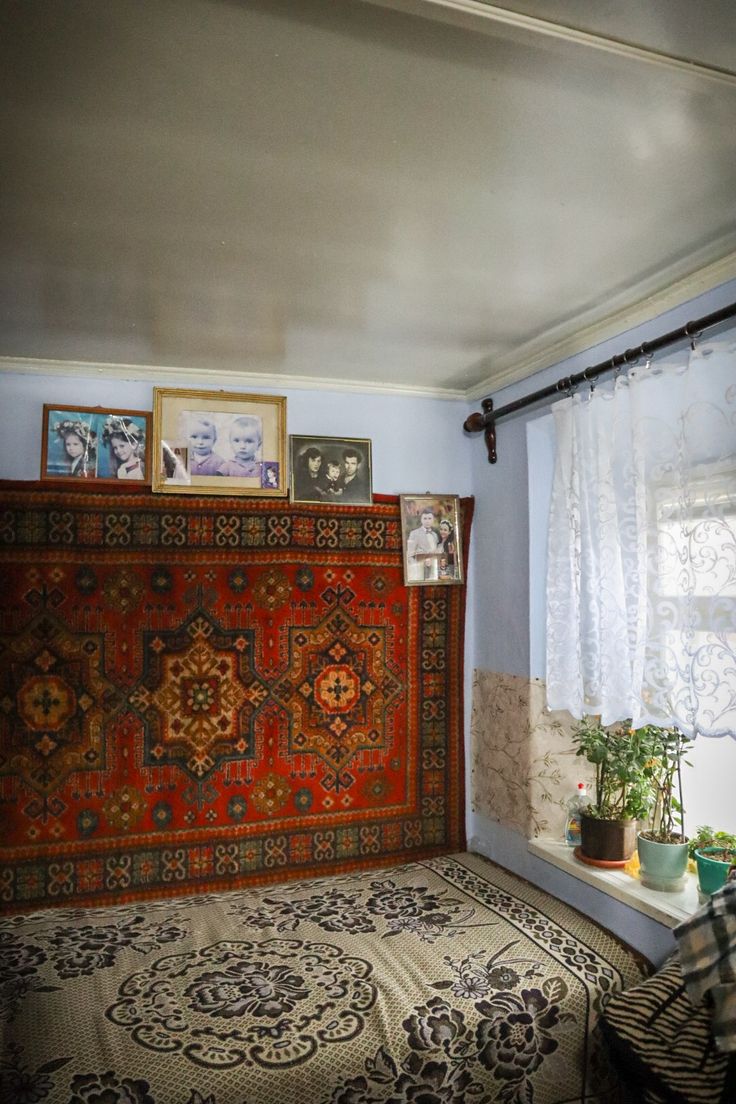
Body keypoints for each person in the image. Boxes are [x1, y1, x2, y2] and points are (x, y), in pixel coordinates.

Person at [406, 507, 440, 581]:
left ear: (433, 519)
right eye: (425, 518)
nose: (427, 521)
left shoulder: (435, 535)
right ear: (421, 519)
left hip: (433, 571)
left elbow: (435, 553)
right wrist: (419, 566)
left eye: (429, 518)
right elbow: (409, 555)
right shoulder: (414, 533)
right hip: (419, 572)